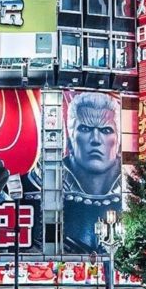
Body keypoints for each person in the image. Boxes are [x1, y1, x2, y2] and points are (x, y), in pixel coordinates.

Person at [62, 92, 122, 253]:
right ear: (70, 138)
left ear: (118, 140)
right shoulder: (37, 184)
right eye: (85, 128)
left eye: (106, 130)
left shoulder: (134, 190)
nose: (95, 139)